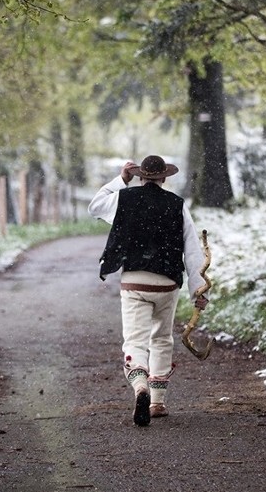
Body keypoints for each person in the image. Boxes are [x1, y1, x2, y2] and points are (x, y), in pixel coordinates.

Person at [89, 155, 208, 427]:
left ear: (141, 176)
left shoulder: (125, 199)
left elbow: (94, 207)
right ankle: (157, 401)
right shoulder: (176, 205)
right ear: (164, 178)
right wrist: (198, 291)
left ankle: (139, 383)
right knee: (162, 338)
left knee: (135, 339)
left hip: (135, 280)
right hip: (167, 282)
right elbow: (192, 251)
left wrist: (121, 180)